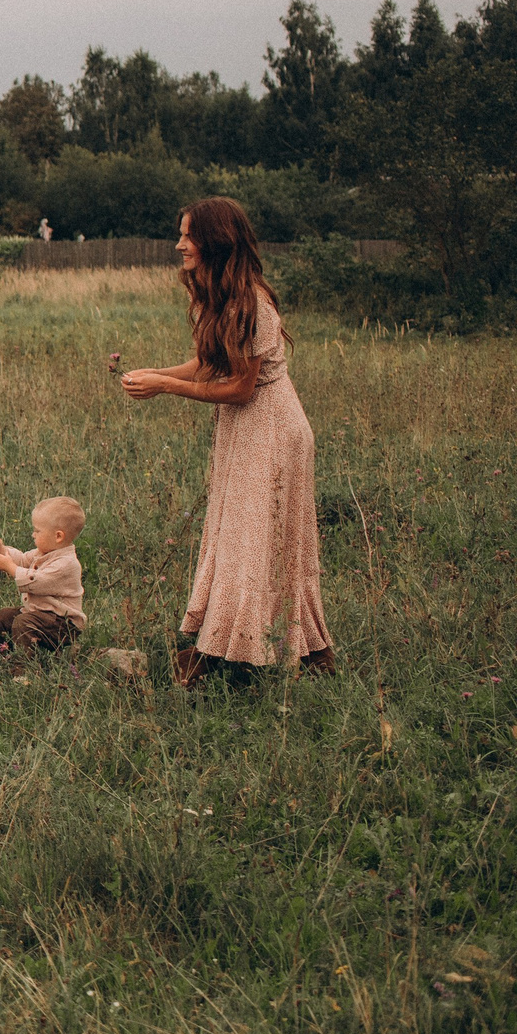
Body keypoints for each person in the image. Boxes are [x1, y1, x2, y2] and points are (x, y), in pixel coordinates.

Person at [122, 199, 336, 684]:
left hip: (275, 430)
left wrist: (167, 387)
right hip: (245, 429)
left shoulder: (253, 302)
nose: (179, 245)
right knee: (234, 538)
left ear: (215, 241)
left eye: (187, 236)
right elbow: (209, 365)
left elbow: (240, 387)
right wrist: (155, 374)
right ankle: (228, 651)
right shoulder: (216, 294)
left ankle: (282, 655)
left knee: (262, 545)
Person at [0, 495, 87, 654]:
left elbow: (38, 582)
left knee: (23, 623)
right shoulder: (44, 553)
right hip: (42, 617)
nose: (33, 534)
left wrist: (10, 568)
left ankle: (23, 671)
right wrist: (2, 550)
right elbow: (23, 560)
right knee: (4, 616)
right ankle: (0, 653)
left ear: (58, 536)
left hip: (63, 624)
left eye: (37, 531)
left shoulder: (67, 564)